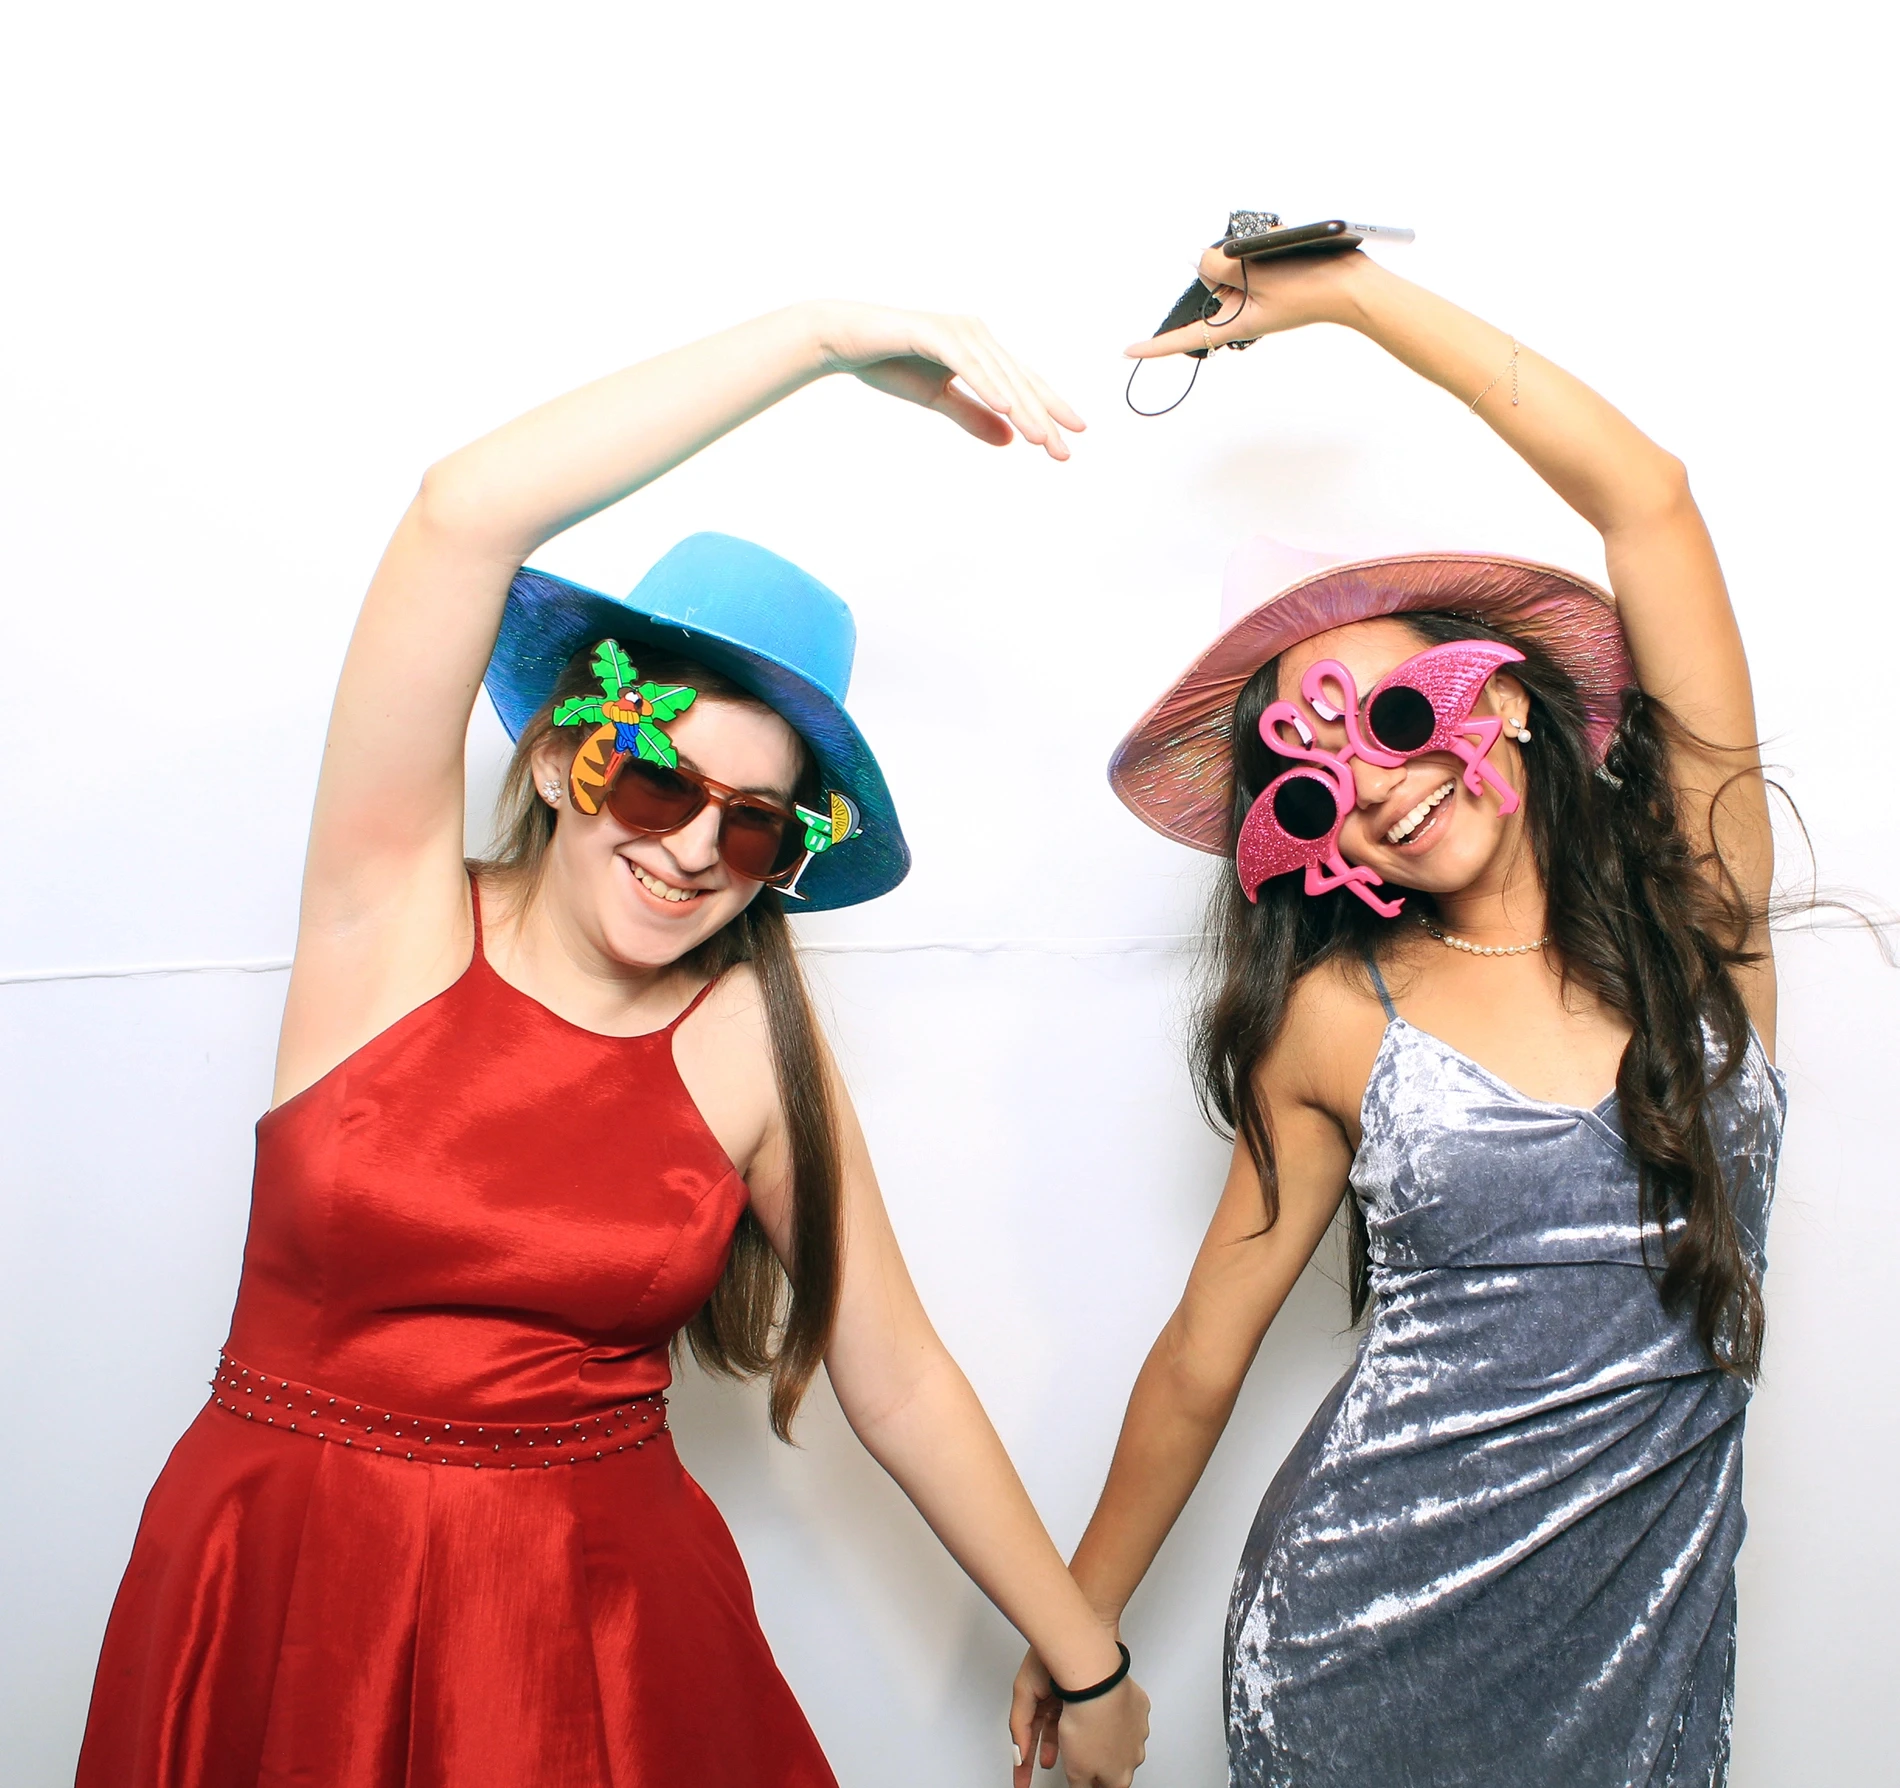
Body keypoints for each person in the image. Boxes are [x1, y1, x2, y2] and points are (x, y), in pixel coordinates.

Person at [78, 301, 1149, 1788]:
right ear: (561, 759)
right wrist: (821, 341)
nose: (694, 850)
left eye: (754, 823)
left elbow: (894, 1377)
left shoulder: (751, 1046)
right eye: (658, 786)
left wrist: (1088, 1656)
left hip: (589, 1635)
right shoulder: (386, 920)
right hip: (283, 1585)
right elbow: (460, 516)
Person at [1009, 243, 1785, 1786]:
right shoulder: (1333, 1020)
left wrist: (1356, 299)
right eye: (1315, 783)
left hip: (1645, 1657)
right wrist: (1078, 1631)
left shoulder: (1710, 922)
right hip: (1359, 1644)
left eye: (1399, 715)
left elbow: (1651, 500)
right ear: (1309, 845)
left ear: (1498, 694)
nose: (1375, 784)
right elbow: (1199, 1356)